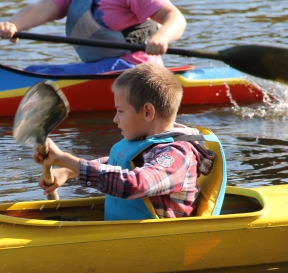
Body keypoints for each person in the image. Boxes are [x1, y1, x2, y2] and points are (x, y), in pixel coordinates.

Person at [32, 63, 216, 220]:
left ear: (147, 112)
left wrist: (65, 158)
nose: (115, 119)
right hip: (129, 235)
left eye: (120, 111)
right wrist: (68, 171)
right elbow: (120, 163)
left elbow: (134, 184)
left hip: (158, 241)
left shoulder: (176, 155)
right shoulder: (150, 142)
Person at [0, 0, 186, 66]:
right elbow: (40, 9)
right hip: (101, 69)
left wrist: (161, 37)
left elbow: (175, 17)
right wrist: (14, 24)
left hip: (138, 70)